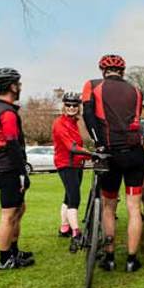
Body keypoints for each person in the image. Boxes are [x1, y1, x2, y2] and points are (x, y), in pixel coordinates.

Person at [81, 54, 144, 272]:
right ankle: (131, 260)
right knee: (134, 207)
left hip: (110, 154)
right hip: (135, 154)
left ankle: (109, 258)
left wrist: (98, 143)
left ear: (103, 71)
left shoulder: (93, 86)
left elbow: (88, 117)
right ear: (123, 72)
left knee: (109, 206)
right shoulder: (137, 91)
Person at [0, 67, 34, 270]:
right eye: (18, 84)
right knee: (9, 213)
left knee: (19, 208)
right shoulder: (7, 112)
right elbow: (12, 143)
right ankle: (5, 258)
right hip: (6, 167)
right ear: (12, 86)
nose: (20, 87)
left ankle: (14, 250)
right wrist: (22, 173)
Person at [52, 93, 91, 253]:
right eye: (68, 105)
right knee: (74, 198)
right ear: (64, 106)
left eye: (75, 105)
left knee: (68, 197)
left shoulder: (74, 122)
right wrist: (91, 154)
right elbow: (71, 147)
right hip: (66, 164)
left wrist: (86, 156)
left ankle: (64, 228)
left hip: (76, 164)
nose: (71, 108)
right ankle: (76, 233)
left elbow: (77, 146)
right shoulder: (60, 123)